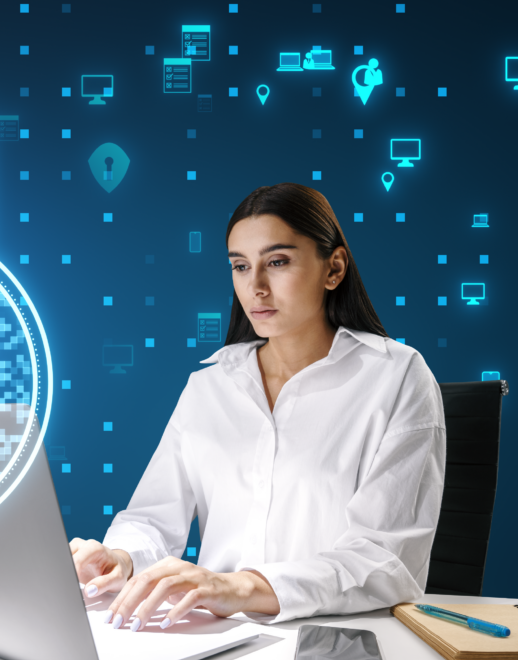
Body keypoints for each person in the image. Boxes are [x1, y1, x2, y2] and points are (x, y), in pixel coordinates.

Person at [71, 183, 446, 631]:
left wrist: (242, 587)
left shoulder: (397, 376)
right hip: (213, 635)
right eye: (240, 266)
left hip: (338, 641)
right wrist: (120, 557)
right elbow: (153, 517)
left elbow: (384, 560)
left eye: (278, 262)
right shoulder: (209, 386)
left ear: (334, 268)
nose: (256, 287)